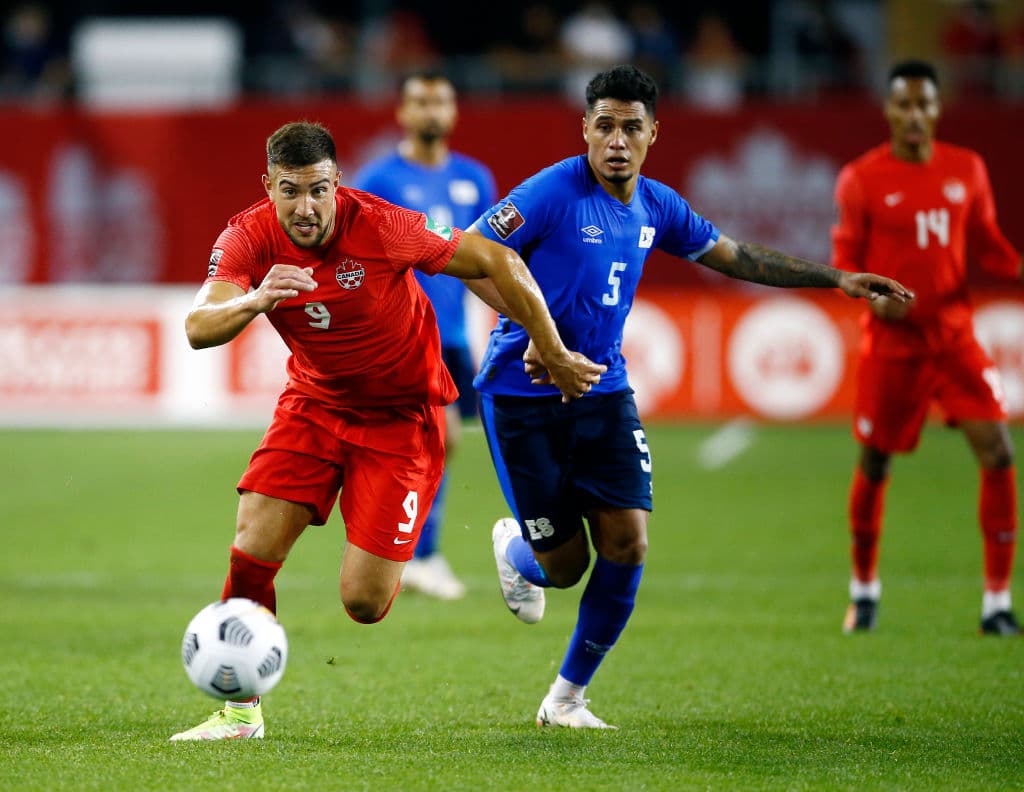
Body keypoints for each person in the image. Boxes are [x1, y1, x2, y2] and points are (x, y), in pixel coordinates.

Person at [465, 64, 913, 729]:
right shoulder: (556, 190)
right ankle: (517, 551)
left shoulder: (658, 206)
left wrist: (837, 278)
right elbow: (473, 250)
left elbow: (736, 257)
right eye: (606, 125)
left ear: (654, 134)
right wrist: (543, 337)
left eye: (632, 128)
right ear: (585, 128)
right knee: (563, 568)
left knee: (629, 542)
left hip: (605, 390)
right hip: (522, 394)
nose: (617, 140)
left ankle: (566, 698)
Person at [169, 121, 605, 741]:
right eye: (289, 191)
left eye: (318, 189)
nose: (305, 207)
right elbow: (198, 325)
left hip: (401, 419)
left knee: (364, 603)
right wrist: (254, 300)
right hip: (314, 405)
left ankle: (513, 548)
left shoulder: (381, 224)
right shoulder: (248, 234)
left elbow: (497, 258)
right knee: (253, 547)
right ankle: (240, 712)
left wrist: (551, 347)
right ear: (268, 186)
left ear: (336, 182)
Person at [831, 59, 1022, 637]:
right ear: (889, 110)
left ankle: (996, 603)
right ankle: (864, 592)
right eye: (904, 104)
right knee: (876, 461)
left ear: (938, 109)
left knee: (999, 453)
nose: (914, 115)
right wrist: (874, 301)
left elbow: (988, 247)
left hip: (955, 339)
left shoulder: (967, 168)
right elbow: (844, 263)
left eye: (924, 105)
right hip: (892, 344)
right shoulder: (862, 178)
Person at [351, 71, 497, 600]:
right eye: (420, 101)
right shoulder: (378, 180)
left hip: (453, 333)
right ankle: (419, 555)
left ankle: (410, 550)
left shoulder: (475, 179)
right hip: (403, 333)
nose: (431, 110)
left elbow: (486, 262)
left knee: (439, 441)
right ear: (403, 113)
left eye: (441, 100)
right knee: (443, 437)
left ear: (454, 112)